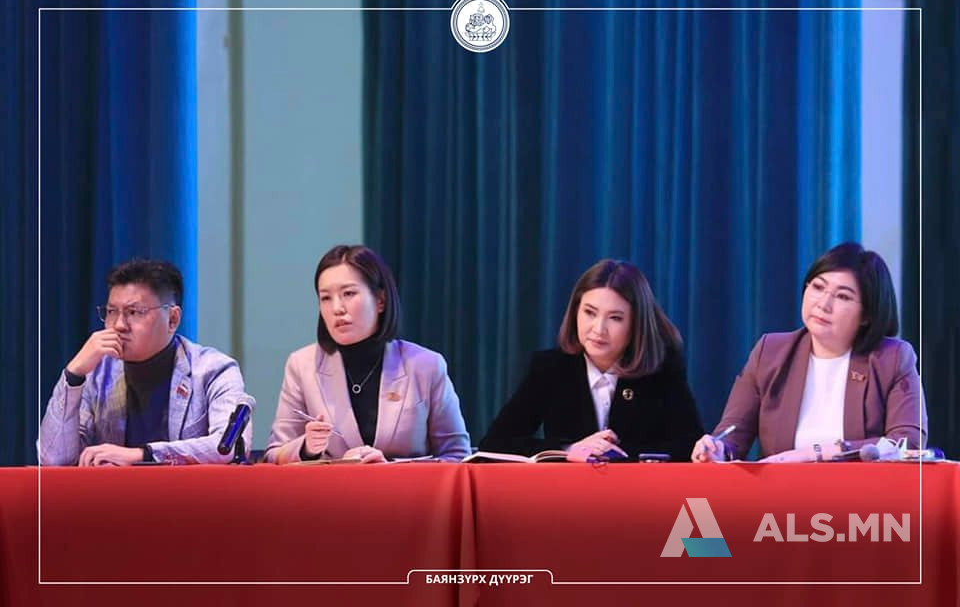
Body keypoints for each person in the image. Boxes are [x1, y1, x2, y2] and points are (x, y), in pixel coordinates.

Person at [692, 242, 928, 463]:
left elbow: (907, 443)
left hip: (862, 493)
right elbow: (732, 439)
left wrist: (814, 453)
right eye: (818, 287)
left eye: (843, 296)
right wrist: (717, 449)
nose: (823, 304)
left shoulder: (892, 358)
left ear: (867, 315)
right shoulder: (770, 353)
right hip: (780, 493)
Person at [479, 259, 704, 462]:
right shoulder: (550, 368)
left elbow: (689, 447)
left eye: (615, 318)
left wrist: (617, 455)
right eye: (590, 313)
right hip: (567, 492)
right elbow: (495, 443)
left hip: (639, 492)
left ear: (636, 324)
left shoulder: (661, 370)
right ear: (575, 311)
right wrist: (568, 450)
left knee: (694, 497)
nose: (598, 329)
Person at [264, 245, 471, 464]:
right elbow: (273, 455)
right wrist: (306, 448)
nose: (337, 308)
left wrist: (390, 468)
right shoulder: (302, 365)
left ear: (380, 300)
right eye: (326, 298)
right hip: (333, 487)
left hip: (404, 487)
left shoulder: (426, 365)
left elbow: (458, 457)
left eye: (348, 294)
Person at [38, 259, 251, 466]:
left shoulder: (214, 370)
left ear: (173, 319)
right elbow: (54, 459)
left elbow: (230, 446)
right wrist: (74, 375)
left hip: (190, 491)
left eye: (134, 312)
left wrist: (143, 455)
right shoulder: (96, 374)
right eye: (111, 312)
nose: (119, 325)